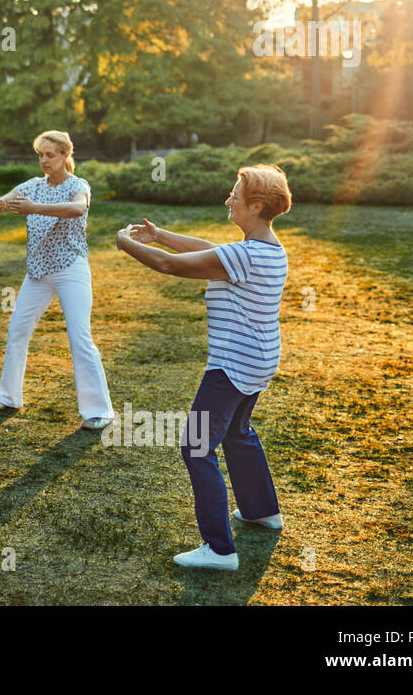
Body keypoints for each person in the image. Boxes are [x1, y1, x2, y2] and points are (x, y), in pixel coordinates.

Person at [114, 164, 291, 571]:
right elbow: (207, 246)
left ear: (258, 205)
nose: (228, 199)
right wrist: (160, 235)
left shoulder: (244, 255)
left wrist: (127, 243)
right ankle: (262, 510)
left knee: (196, 446)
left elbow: (169, 266)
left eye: (235, 195)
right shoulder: (266, 249)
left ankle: (219, 550)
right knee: (237, 432)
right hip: (259, 361)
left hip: (231, 367)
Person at [0, 130, 116, 430]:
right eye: (40, 154)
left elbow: (77, 208)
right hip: (38, 273)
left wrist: (35, 208)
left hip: (71, 268)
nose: (44, 160)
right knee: (17, 330)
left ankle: (100, 411)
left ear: (66, 155)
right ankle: (8, 396)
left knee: (80, 338)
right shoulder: (32, 186)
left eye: (50, 155)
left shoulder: (78, 185)